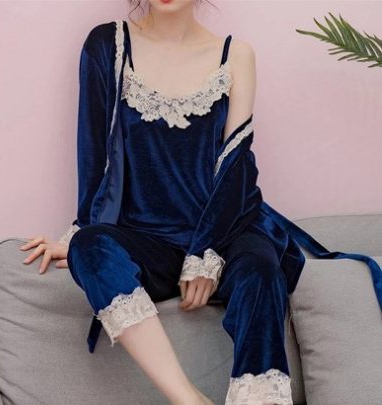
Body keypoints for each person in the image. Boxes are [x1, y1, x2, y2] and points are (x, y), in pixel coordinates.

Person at [20, 1, 382, 404]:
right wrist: (79, 233)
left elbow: (236, 167)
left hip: (227, 228)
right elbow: (93, 153)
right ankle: (188, 399)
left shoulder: (236, 55)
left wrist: (205, 252)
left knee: (261, 272)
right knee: (90, 248)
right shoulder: (108, 44)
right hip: (147, 238)